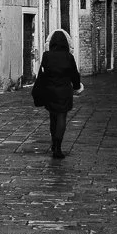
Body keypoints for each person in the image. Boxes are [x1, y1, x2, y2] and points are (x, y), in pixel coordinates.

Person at [36, 28, 82, 159]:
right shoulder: (69, 57)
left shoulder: (46, 56)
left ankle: (53, 143)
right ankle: (58, 146)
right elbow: (75, 75)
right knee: (62, 117)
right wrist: (77, 87)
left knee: (53, 117)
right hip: (64, 92)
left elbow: (42, 74)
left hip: (50, 91)